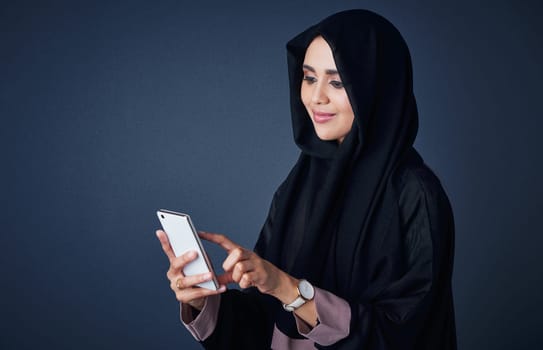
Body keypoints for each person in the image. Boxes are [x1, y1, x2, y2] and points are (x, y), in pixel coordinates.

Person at [156, 9, 457, 349]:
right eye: (309, 77)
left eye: (338, 81)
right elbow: (265, 321)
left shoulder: (416, 195)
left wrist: (288, 288)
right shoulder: (299, 185)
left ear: (377, 87)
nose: (316, 97)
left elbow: (409, 334)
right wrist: (201, 298)